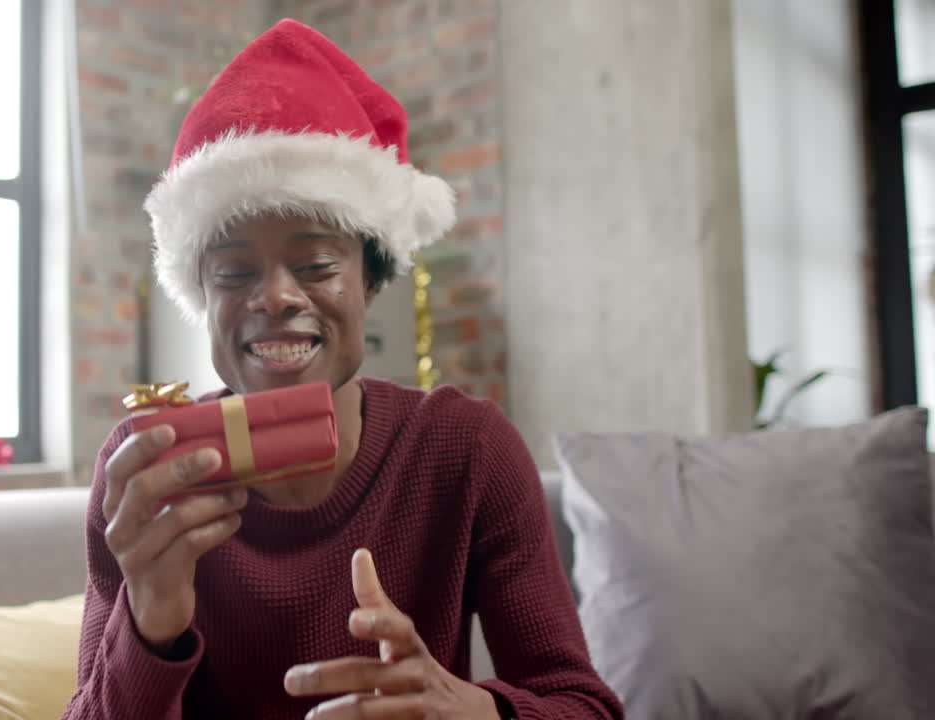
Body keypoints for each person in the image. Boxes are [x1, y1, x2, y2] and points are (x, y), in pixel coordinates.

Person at [62, 19, 623, 720]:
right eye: (234, 271)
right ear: (200, 297)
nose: (274, 296)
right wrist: (148, 626)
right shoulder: (147, 471)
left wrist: (466, 708)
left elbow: (585, 707)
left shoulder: (465, 451)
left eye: (317, 264)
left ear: (370, 281)